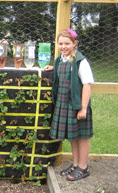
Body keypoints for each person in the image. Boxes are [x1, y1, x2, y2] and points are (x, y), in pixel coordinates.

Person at [44, 29, 94, 181]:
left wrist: (83, 108)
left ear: (75, 43)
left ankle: (83, 167)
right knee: (73, 137)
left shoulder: (80, 61)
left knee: (82, 137)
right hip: (64, 105)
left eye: (67, 43)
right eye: (60, 44)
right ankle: (76, 164)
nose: (63, 46)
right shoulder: (60, 60)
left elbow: (87, 85)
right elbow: (63, 70)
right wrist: (54, 67)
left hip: (77, 105)